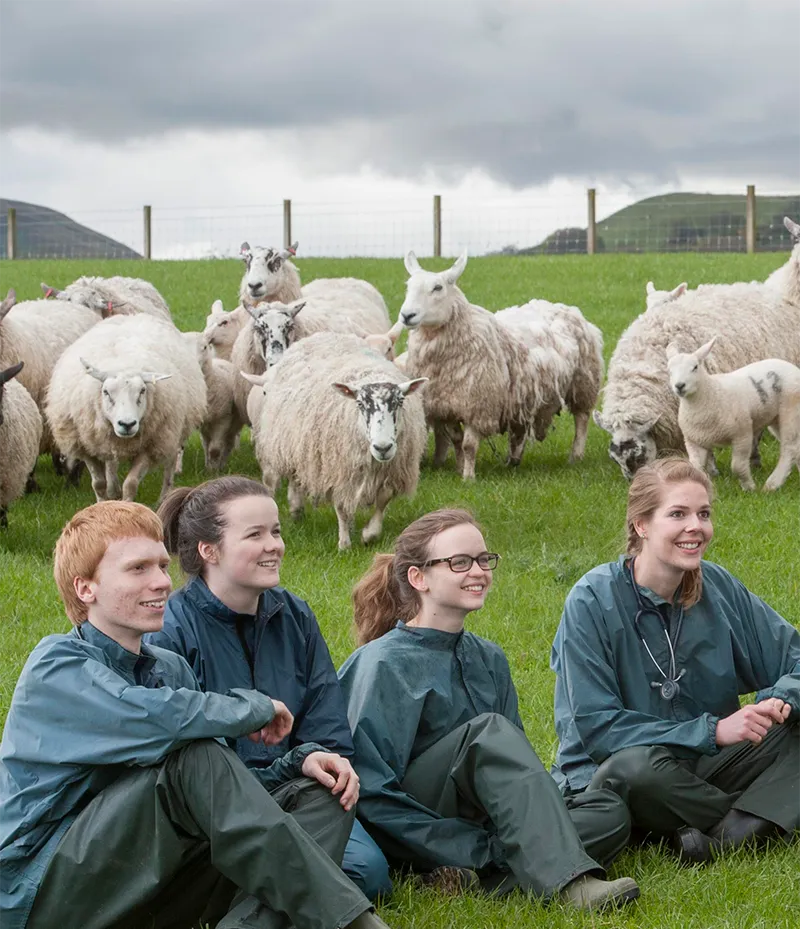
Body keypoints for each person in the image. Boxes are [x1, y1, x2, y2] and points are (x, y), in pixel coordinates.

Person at [0, 500, 394, 929]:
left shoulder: (170, 668)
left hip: (149, 879)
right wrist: (255, 706)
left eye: (162, 567)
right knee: (195, 753)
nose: (160, 583)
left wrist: (297, 765)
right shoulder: (57, 664)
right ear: (85, 589)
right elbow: (154, 719)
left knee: (324, 791)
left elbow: (221, 793)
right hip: (44, 888)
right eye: (138, 570)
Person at [337, 508, 639, 910]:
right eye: (459, 562)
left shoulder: (489, 658)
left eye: (483, 559)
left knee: (608, 810)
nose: (478, 571)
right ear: (418, 577)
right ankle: (571, 884)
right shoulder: (381, 664)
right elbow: (371, 796)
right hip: (415, 826)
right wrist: (478, 846)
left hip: (489, 822)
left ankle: (474, 878)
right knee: (489, 733)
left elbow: (519, 772)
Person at [147, 476, 392, 901]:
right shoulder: (170, 629)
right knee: (315, 877)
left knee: (366, 873)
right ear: (209, 551)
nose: (274, 545)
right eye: (255, 534)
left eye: (275, 531)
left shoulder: (294, 615)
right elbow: (183, 754)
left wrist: (325, 763)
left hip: (298, 789)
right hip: (221, 807)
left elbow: (324, 713)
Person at [551, 456, 800, 865]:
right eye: (678, 514)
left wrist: (778, 702)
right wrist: (714, 730)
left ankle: (719, 832)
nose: (695, 527)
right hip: (623, 771)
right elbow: (599, 729)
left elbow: (795, 658)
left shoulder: (717, 586)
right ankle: (752, 820)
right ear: (641, 525)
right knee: (634, 770)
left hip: (709, 765)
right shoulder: (591, 599)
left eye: (703, 514)